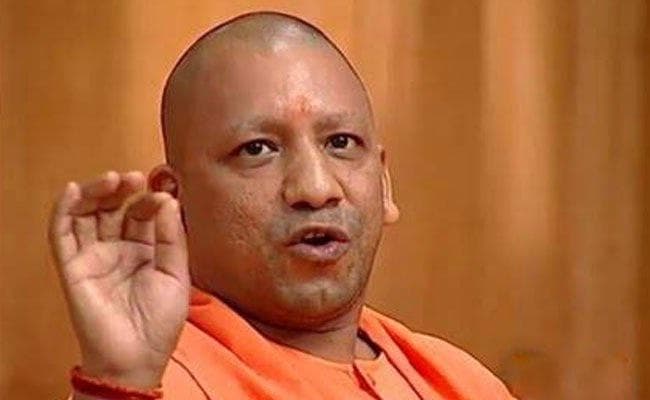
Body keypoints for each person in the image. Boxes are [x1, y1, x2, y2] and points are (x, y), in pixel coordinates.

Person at [49, 11, 515, 400]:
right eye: (257, 149)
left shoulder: (460, 382)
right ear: (173, 201)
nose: (316, 187)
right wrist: (118, 385)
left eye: (340, 143)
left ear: (384, 184)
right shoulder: (152, 380)